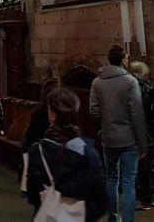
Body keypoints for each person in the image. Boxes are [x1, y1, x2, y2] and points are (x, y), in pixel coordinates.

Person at [26, 87, 107, 222]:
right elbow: (100, 198)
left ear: (52, 115)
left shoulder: (37, 151)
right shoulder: (89, 154)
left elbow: (32, 194)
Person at [89, 45, 150, 222]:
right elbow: (137, 113)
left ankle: (113, 218)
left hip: (109, 137)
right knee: (129, 182)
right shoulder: (130, 82)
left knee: (111, 179)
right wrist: (143, 143)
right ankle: (128, 219)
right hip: (129, 138)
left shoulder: (97, 82)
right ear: (123, 60)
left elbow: (93, 110)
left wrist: (107, 118)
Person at [129, 61, 154, 211]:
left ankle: (134, 198)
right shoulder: (143, 87)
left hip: (126, 133)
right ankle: (147, 198)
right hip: (142, 132)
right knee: (145, 167)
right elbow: (146, 112)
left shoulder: (125, 85)